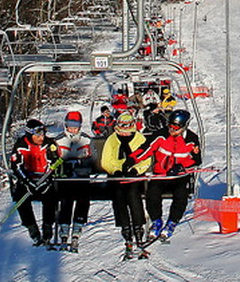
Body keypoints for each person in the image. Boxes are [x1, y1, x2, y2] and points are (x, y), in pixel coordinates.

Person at [132, 109, 202, 241]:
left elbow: (197, 161)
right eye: (170, 126)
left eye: (176, 128)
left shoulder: (191, 139)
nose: (172, 129)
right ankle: (156, 221)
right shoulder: (161, 135)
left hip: (179, 176)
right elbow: (145, 149)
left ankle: (172, 222)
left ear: (184, 126)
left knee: (181, 195)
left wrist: (181, 167)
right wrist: (131, 160)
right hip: (161, 174)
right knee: (152, 193)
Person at [101, 111, 152, 258]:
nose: (124, 134)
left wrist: (136, 170)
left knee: (132, 193)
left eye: (127, 131)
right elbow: (106, 161)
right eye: (121, 131)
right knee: (118, 196)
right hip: (117, 177)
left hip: (134, 176)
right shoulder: (112, 140)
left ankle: (138, 228)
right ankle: (126, 229)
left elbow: (146, 159)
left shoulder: (139, 139)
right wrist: (115, 171)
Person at [8, 118, 60, 246]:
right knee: (20, 198)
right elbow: (16, 166)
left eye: (42, 134)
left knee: (50, 198)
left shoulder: (48, 144)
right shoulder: (21, 146)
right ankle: (32, 228)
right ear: (30, 134)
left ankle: (48, 227)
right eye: (38, 135)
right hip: (28, 179)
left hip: (44, 179)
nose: (41, 137)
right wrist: (27, 182)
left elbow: (54, 162)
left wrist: (46, 180)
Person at [55, 110, 94, 250]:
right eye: (70, 126)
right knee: (66, 198)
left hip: (81, 176)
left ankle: (78, 224)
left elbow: (91, 158)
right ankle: (64, 227)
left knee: (84, 197)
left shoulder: (86, 139)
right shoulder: (59, 140)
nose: (73, 129)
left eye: (75, 126)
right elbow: (55, 158)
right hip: (66, 178)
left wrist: (83, 164)